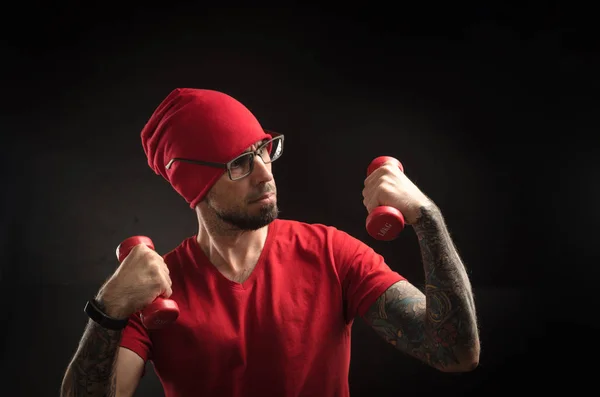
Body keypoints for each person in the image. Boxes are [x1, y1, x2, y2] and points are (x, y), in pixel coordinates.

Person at [60, 88, 480, 397]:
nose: (265, 174)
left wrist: (427, 218)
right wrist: (109, 308)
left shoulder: (332, 254)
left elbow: (455, 353)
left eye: (264, 150)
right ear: (194, 186)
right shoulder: (154, 295)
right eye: (240, 163)